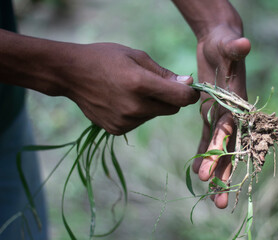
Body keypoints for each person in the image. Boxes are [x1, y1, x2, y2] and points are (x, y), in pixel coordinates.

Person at [0, 0, 250, 238]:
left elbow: (215, 20)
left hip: (6, 111)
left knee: (22, 223)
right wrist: (62, 71)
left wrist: (214, 20)